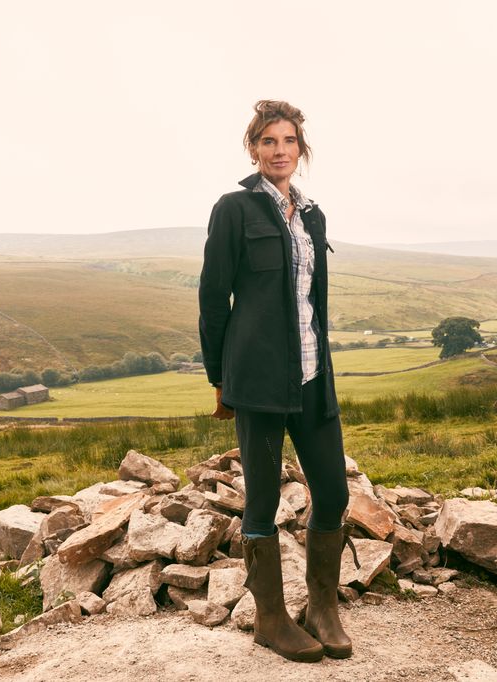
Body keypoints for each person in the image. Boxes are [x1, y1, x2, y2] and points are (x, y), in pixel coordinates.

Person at [198, 100, 357, 662]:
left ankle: (322, 609)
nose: (280, 150)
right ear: (253, 149)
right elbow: (213, 298)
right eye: (268, 141)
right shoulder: (234, 209)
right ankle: (270, 619)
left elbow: (315, 302)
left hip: (313, 376)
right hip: (259, 379)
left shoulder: (313, 215)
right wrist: (220, 378)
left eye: (289, 140)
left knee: (333, 492)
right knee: (262, 501)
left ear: (301, 148)